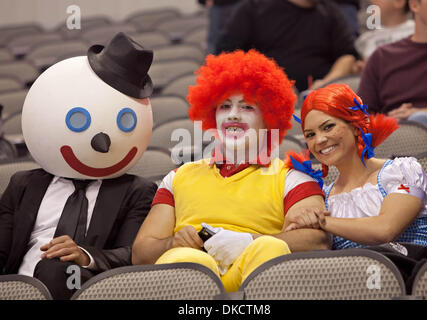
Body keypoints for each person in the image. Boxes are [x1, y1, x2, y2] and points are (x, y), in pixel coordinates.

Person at [132, 50, 331, 292]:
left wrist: (249, 242)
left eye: (247, 107)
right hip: (191, 276)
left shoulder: (293, 178)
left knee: (270, 249)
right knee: (187, 260)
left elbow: (319, 241)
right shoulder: (177, 177)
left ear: (268, 117)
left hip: (258, 275)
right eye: (224, 106)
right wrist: (173, 243)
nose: (233, 114)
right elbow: (141, 253)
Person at [0, 33, 157, 299]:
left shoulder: (137, 191)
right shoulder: (23, 184)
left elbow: (133, 255)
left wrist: (84, 256)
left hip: (77, 289)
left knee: (57, 270)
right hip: (14, 287)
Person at [284, 83, 427, 292]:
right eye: (310, 135)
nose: (319, 140)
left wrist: (323, 221)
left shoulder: (402, 170)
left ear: (355, 125)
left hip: (404, 284)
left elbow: (385, 230)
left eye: (328, 127)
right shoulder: (323, 196)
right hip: (346, 289)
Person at [215, 0, 359, 92]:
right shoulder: (253, 8)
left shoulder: (331, 12)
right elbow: (227, 57)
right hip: (265, 99)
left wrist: (325, 84)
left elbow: (347, 55)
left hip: (321, 100)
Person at [357, 0, 427, 132]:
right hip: (392, 139)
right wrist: (388, 121)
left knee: (420, 118)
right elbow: (361, 117)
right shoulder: (382, 57)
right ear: (414, 5)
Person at [353, 0, 415, 72]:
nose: (372, 1)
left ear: (399, 2)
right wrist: (359, 67)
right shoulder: (366, 39)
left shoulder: (415, 32)